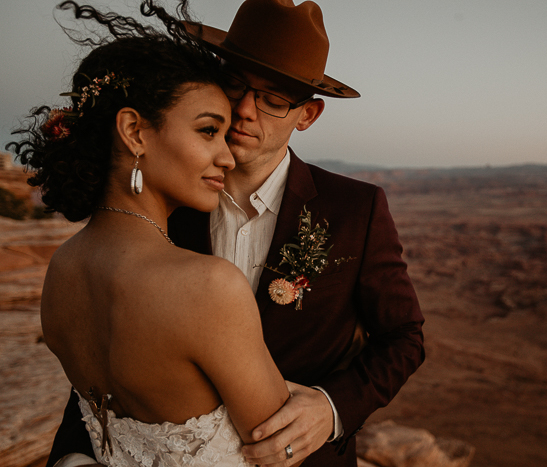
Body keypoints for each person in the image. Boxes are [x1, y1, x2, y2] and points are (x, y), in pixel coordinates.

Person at [47, 0, 426, 466]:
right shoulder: (164, 204)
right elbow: (105, 361)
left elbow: (405, 337)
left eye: (273, 98)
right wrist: (71, 454)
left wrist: (332, 409)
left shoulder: (356, 209)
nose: (246, 109)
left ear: (307, 115)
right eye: (235, 84)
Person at [10, 1, 303, 466]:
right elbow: (282, 448)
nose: (226, 157)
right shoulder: (209, 287)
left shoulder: (61, 270)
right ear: (134, 132)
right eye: (209, 131)